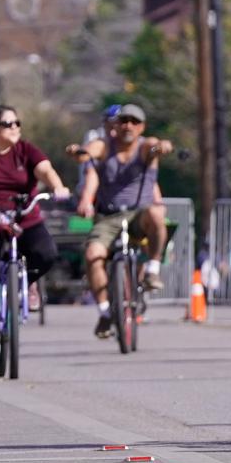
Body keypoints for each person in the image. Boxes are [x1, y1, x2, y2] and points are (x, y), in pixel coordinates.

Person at [0, 105, 71, 353]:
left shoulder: (26, 150)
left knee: (46, 253)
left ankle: (27, 282)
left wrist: (58, 187)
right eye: (8, 124)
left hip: (24, 216)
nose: (15, 128)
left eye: (17, 123)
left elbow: (45, 169)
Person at [75, 103, 175, 339]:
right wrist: (86, 199)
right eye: (123, 121)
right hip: (109, 216)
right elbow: (89, 161)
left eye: (134, 121)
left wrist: (163, 146)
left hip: (138, 215)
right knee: (92, 255)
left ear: (141, 127)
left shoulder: (144, 147)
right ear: (114, 126)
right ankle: (104, 312)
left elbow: (155, 146)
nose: (128, 126)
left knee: (157, 214)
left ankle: (152, 270)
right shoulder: (104, 147)